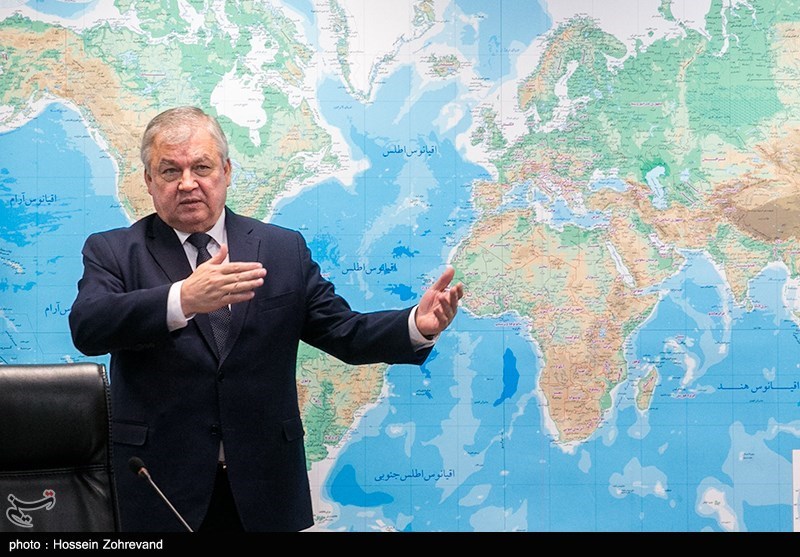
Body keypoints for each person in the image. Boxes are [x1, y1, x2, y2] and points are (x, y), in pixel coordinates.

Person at [68, 106, 464, 532]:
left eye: (201, 167)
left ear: (226, 172)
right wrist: (182, 298)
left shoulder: (281, 250)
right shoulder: (114, 251)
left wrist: (416, 325)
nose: (187, 183)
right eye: (170, 171)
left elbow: (344, 332)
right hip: (160, 485)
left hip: (265, 486)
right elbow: (89, 326)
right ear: (148, 180)